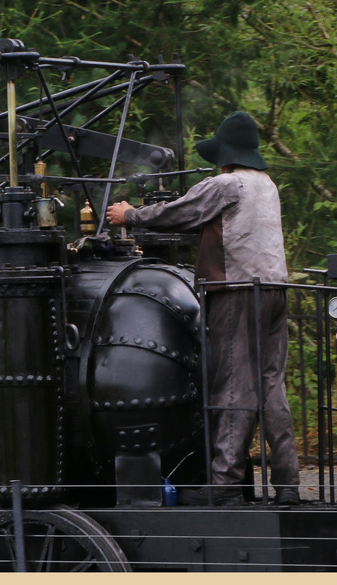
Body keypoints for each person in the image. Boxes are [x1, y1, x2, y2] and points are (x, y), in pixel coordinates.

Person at [106, 110, 300, 507]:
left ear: (225, 154)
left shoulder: (226, 184)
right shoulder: (268, 185)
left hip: (237, 291)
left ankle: (224, 487)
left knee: (232, 384)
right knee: (270, 386)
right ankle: (288, 485)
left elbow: (182, 211)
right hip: (276, 290)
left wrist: (131, 215)